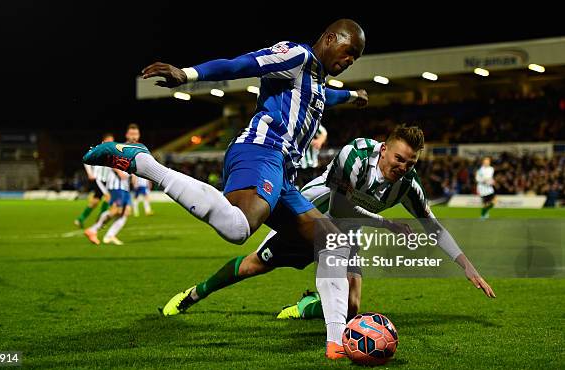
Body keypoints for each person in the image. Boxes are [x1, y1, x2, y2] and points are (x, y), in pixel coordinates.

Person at [83, 19, 369, 359]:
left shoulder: (318, 82)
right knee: (237, 228)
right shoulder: (297, 56)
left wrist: (353, 96)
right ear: (329, 38)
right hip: (260, 150)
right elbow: (242, 64)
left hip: (282, 173)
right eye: (349, 51)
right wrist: (187, 74)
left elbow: (326, 97)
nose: (350, 60)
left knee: (335, 244)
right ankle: (144, 164)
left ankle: (336, 345)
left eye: (356, 58)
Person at [160, 125, 495, 326]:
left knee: (352, 307)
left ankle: (308, 305)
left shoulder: (408, 186)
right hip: (309, 217)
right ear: (384, 150)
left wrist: (466, 265)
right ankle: (192, 295)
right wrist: (387, 224)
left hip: (345, 233)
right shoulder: (355, 155)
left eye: (411, 163)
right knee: (251, 267)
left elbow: (433, 227)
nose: (403, 167)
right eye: (399, 159)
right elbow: (339, 207)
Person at [75, 133, 114, 228]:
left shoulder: (112, 152)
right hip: (98, 179)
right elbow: (86, 159)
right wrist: (90, 173)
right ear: (104, 141)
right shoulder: (98, 150)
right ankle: (100, 222)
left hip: (106, 181)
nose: (111, 143)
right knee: (108, 198)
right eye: (109, 141)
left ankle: (80, 219)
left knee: (95, 202)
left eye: (112, 141)